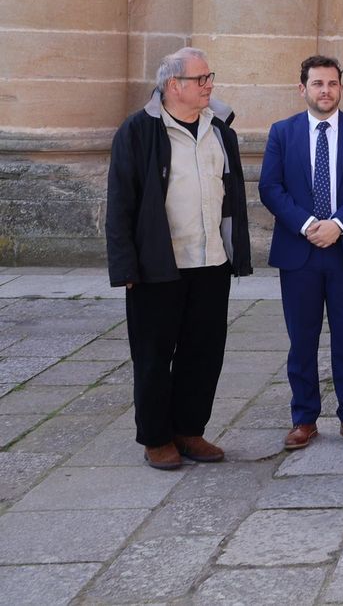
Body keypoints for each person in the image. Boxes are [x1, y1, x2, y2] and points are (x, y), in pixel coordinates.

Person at [105, 47, 252, 470]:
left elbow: (232, 194)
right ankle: (156, 437)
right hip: (158, 266)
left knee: (204, 351)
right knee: (153, 354)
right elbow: (121, 204)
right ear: (174, 85)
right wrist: (126, 267)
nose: (209, 85)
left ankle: (189, 430)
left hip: (211, 261)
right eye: (201, 79)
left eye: (210, 77)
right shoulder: (138, 131)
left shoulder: (221, 129)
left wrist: (235, 252)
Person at [259, 55, 343, 449]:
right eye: (317, 84)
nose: (325, 91)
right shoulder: (282, 132)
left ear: (341, 89)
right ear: (303, 89)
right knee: (302, 340)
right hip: (300, 251)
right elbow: (270, 188)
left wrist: (338, 225)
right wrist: (309, 225)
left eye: (332, 84)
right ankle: (304, 418)